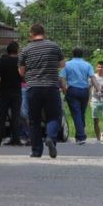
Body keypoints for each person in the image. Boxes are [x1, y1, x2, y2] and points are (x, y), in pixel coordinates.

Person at [18, 23, 65, 159]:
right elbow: (62, 64)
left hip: (33, 88)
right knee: (54, 116)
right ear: (44, 32)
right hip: (51, 87)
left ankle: (36, 151)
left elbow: (21, 72)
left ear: (31, 34)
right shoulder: (54, 46)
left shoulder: (26, 50)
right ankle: (50, 138)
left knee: (34, 119)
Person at [58, 48, 94, 144]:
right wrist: (98, 88)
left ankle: (81, 136)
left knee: (76, 113)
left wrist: (65, 90)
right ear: (82, 54)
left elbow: (62, 78)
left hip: (72, 90)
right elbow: (92, 77)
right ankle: (80, 135)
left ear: (73, 54)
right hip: (84, 91)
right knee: (81, 113)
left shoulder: (67, 64)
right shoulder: (87, 64)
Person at [0, 41, 23, 146]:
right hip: (16, 92)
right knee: (16, 116)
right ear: (17, 50)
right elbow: (23, 76)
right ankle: (16, 140)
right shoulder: (20, 61)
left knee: (2, 116)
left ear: (8, 50)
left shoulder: (2, 60)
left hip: (4, 91)